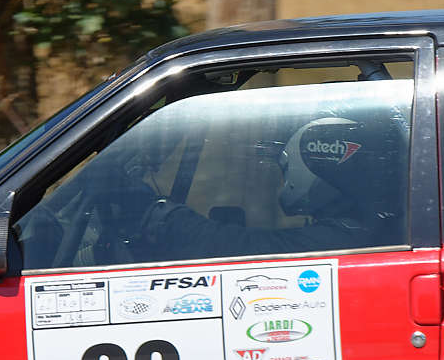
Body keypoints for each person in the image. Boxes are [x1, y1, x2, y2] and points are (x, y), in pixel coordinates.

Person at [138, 111, 406, 261]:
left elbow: (252, 249)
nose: (283, 178)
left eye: (285, 168)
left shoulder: (351, 236)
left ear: (322, 158)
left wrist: (173, 222)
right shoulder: (366, 226)